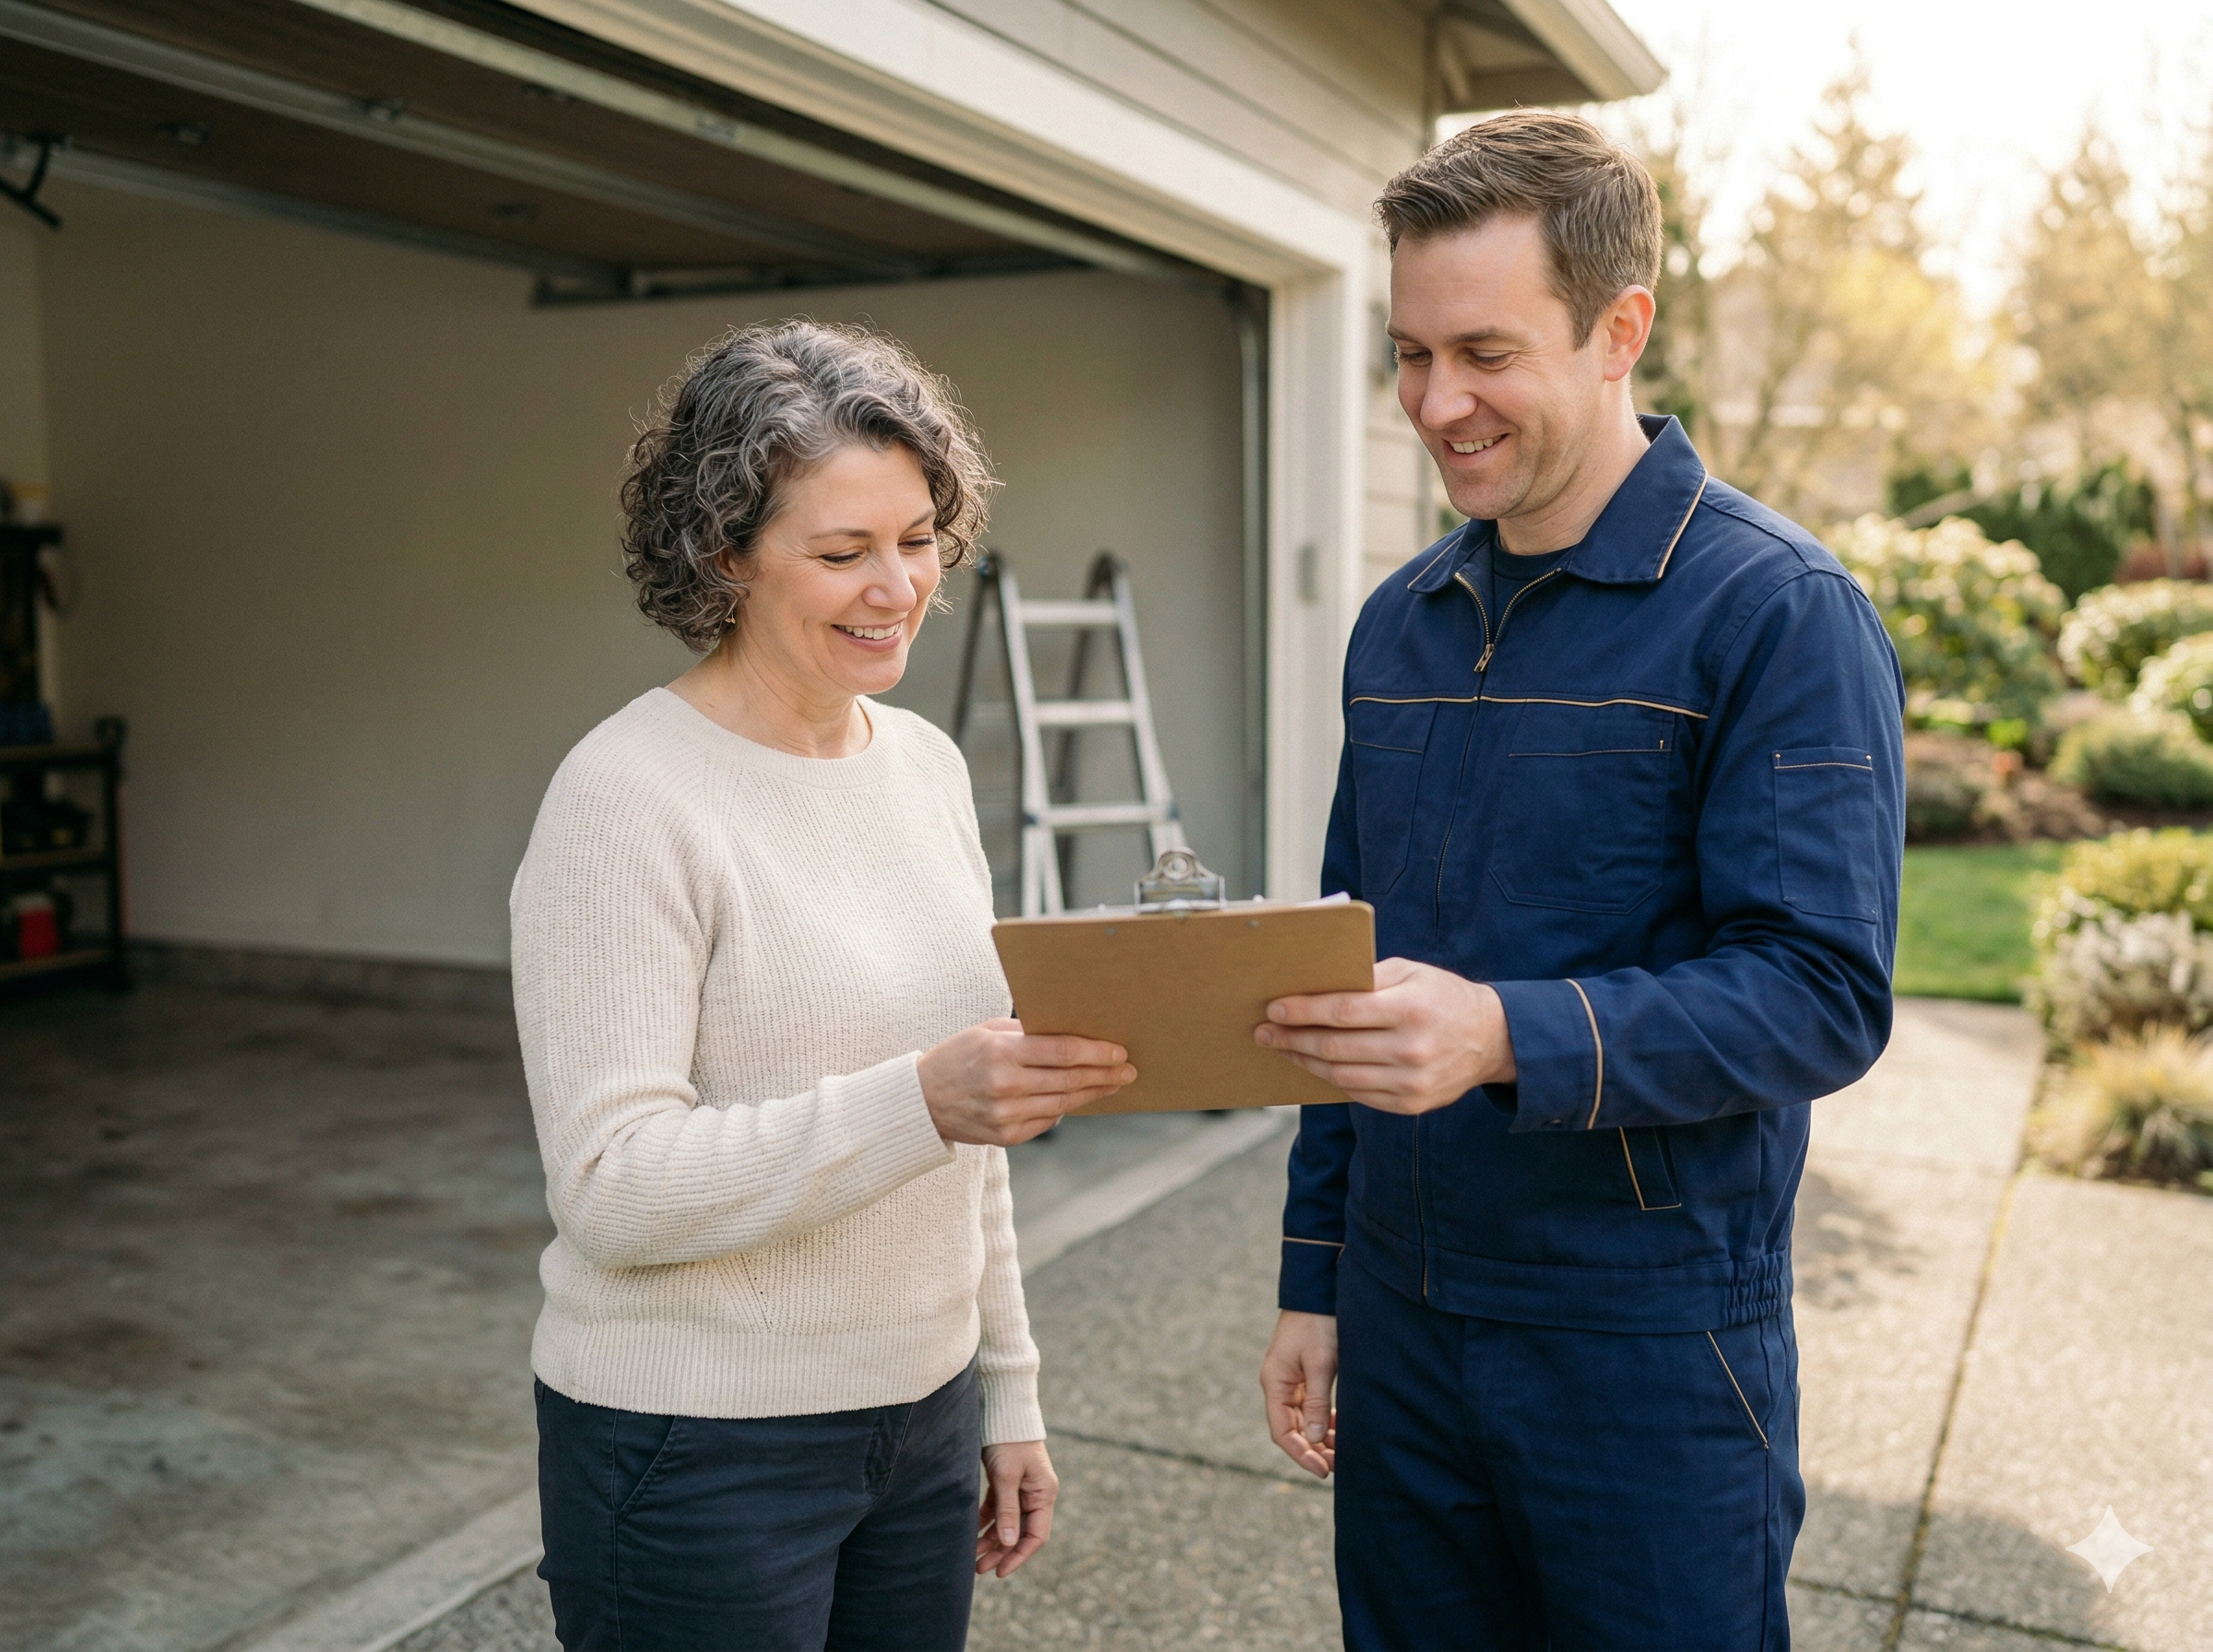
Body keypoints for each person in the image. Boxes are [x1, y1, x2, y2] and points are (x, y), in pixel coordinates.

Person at [1253, 112, 1905, 1649]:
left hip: (1650, 1344)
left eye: (1485, 351)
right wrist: (1316, 1277)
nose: (1436, 403)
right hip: (1407, 1327)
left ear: (1623, 332)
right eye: (1410, 356)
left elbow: (1823, 994)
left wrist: (1500, 1035)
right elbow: (1348, 975)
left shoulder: (1778, 614)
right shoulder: (1398, 625)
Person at [510, 320, 1134, 1650]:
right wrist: (922, 1100)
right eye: (841, 552)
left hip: (921, 1424)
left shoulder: (924, 768)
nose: (896, 587)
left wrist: (1005, 1392)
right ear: (722, 552)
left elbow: (977, 1133)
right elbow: (611, 1185)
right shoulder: (625, 799)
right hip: (693, 1454)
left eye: (917, 538)